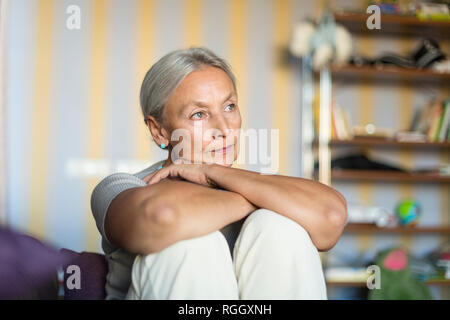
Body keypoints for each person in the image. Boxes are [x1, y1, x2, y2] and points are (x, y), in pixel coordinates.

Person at [91, 47, 347, 300]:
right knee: (192, 243)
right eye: (199, 114)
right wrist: (264, 199)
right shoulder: (124, 187)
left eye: (229, 106)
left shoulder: (249, 184)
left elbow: (331, 216)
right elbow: (163, 217)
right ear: (159, 131)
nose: (224, 128)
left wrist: (208, 171)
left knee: (279, 227)